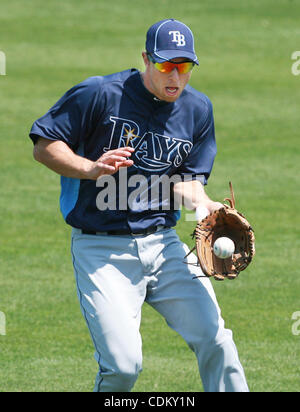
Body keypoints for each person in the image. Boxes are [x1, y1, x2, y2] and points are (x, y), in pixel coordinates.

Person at [29, 19, 249, 392]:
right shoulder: (99, 93)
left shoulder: (197, 110)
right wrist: (90, 168)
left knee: (217, 340)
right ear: (146, 59)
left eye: (184, 67)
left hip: (164, 246)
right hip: (102, 250)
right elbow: (44, 144)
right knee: (123, 367)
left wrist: (205, 205)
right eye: (166, 65)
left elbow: (187, 180)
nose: (175, 77)